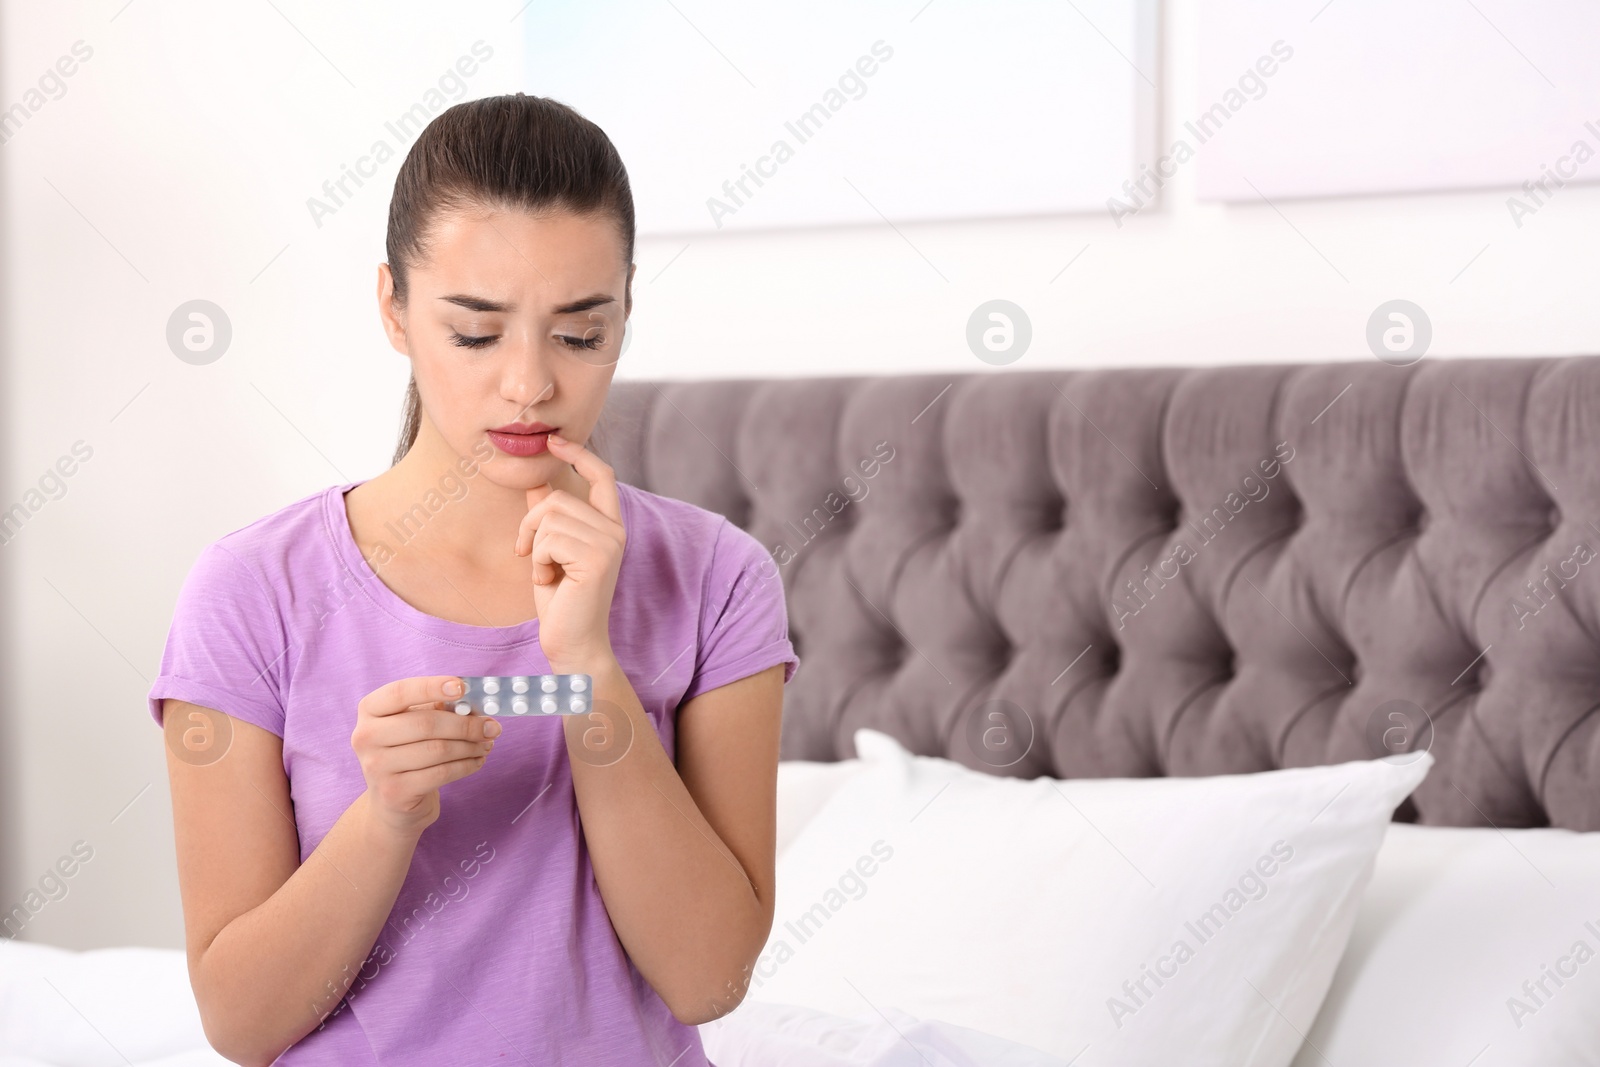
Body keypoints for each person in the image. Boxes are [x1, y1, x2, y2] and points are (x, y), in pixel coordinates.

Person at [148, 92, 799, 1066]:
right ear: (394, 310)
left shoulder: (717, 579)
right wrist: (386, 818)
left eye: (579, 332)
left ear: (624, 312)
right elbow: (241, 1023)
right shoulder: (250, 590)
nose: (531, 383)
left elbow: (706, 976)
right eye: (476, 331)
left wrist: (586, 664)